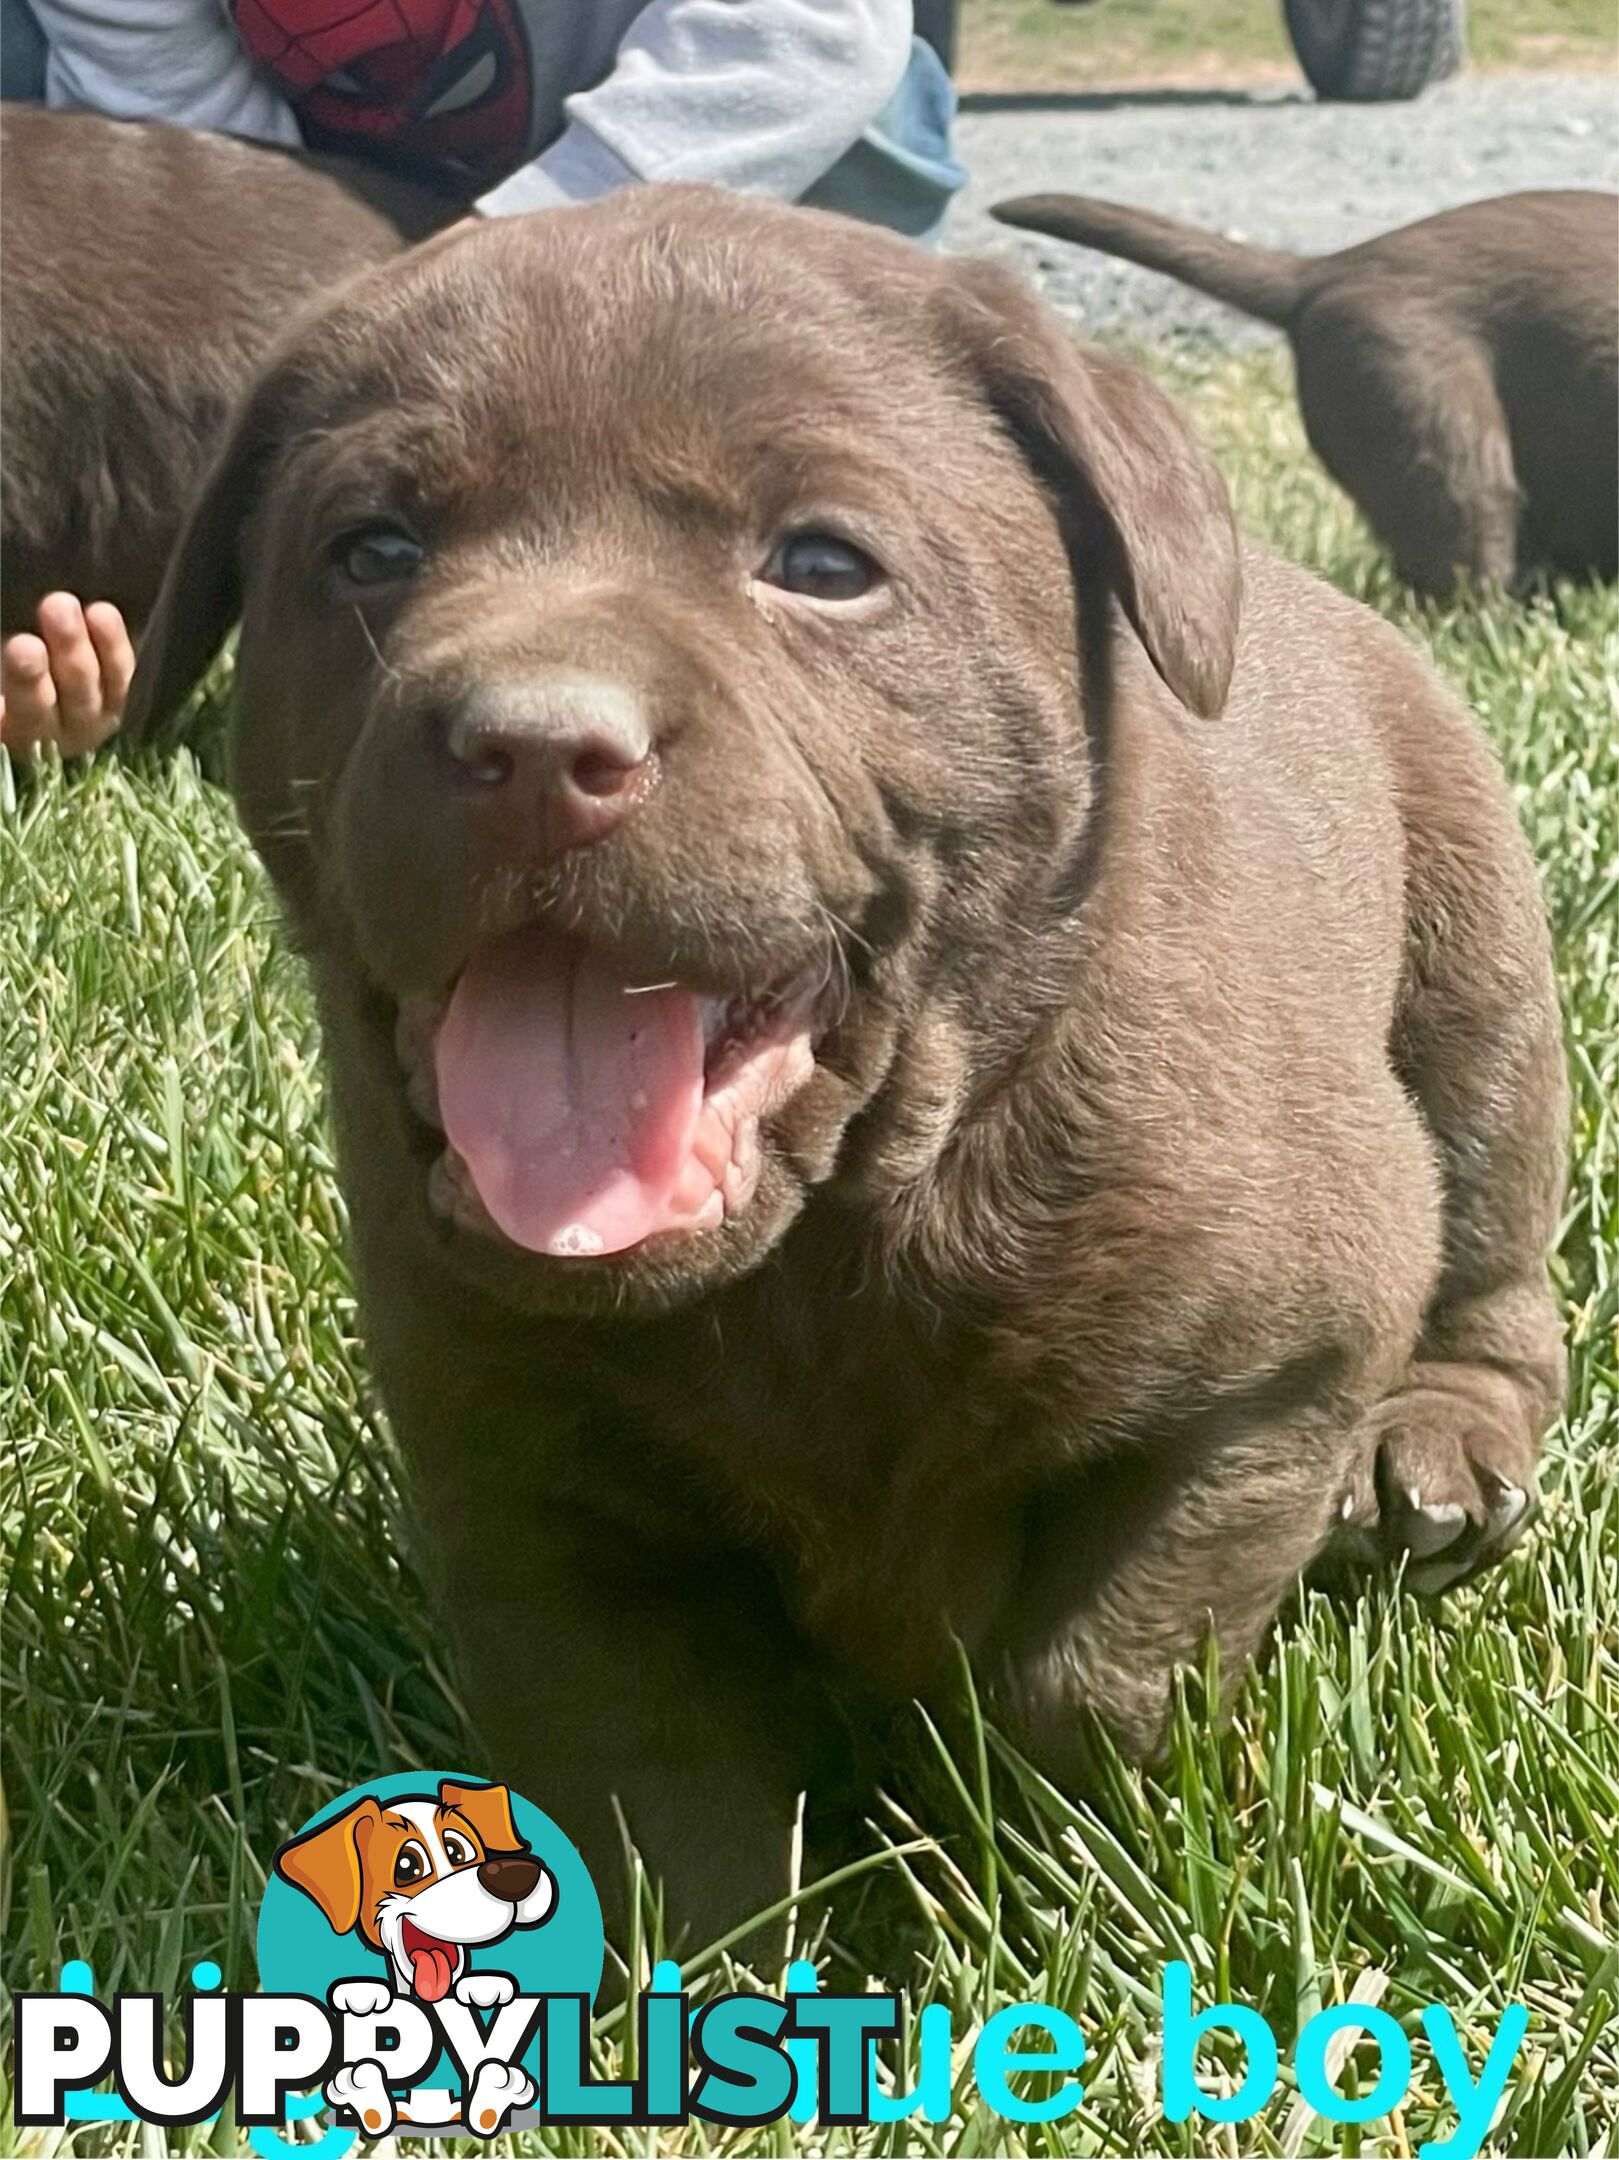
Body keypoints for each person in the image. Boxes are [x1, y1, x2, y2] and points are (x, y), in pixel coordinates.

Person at [0, 0, 963, 759]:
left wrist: (505, 257)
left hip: (735, 134)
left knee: (792, 468)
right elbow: (197, 147)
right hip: (358, 186)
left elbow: (810, 31)